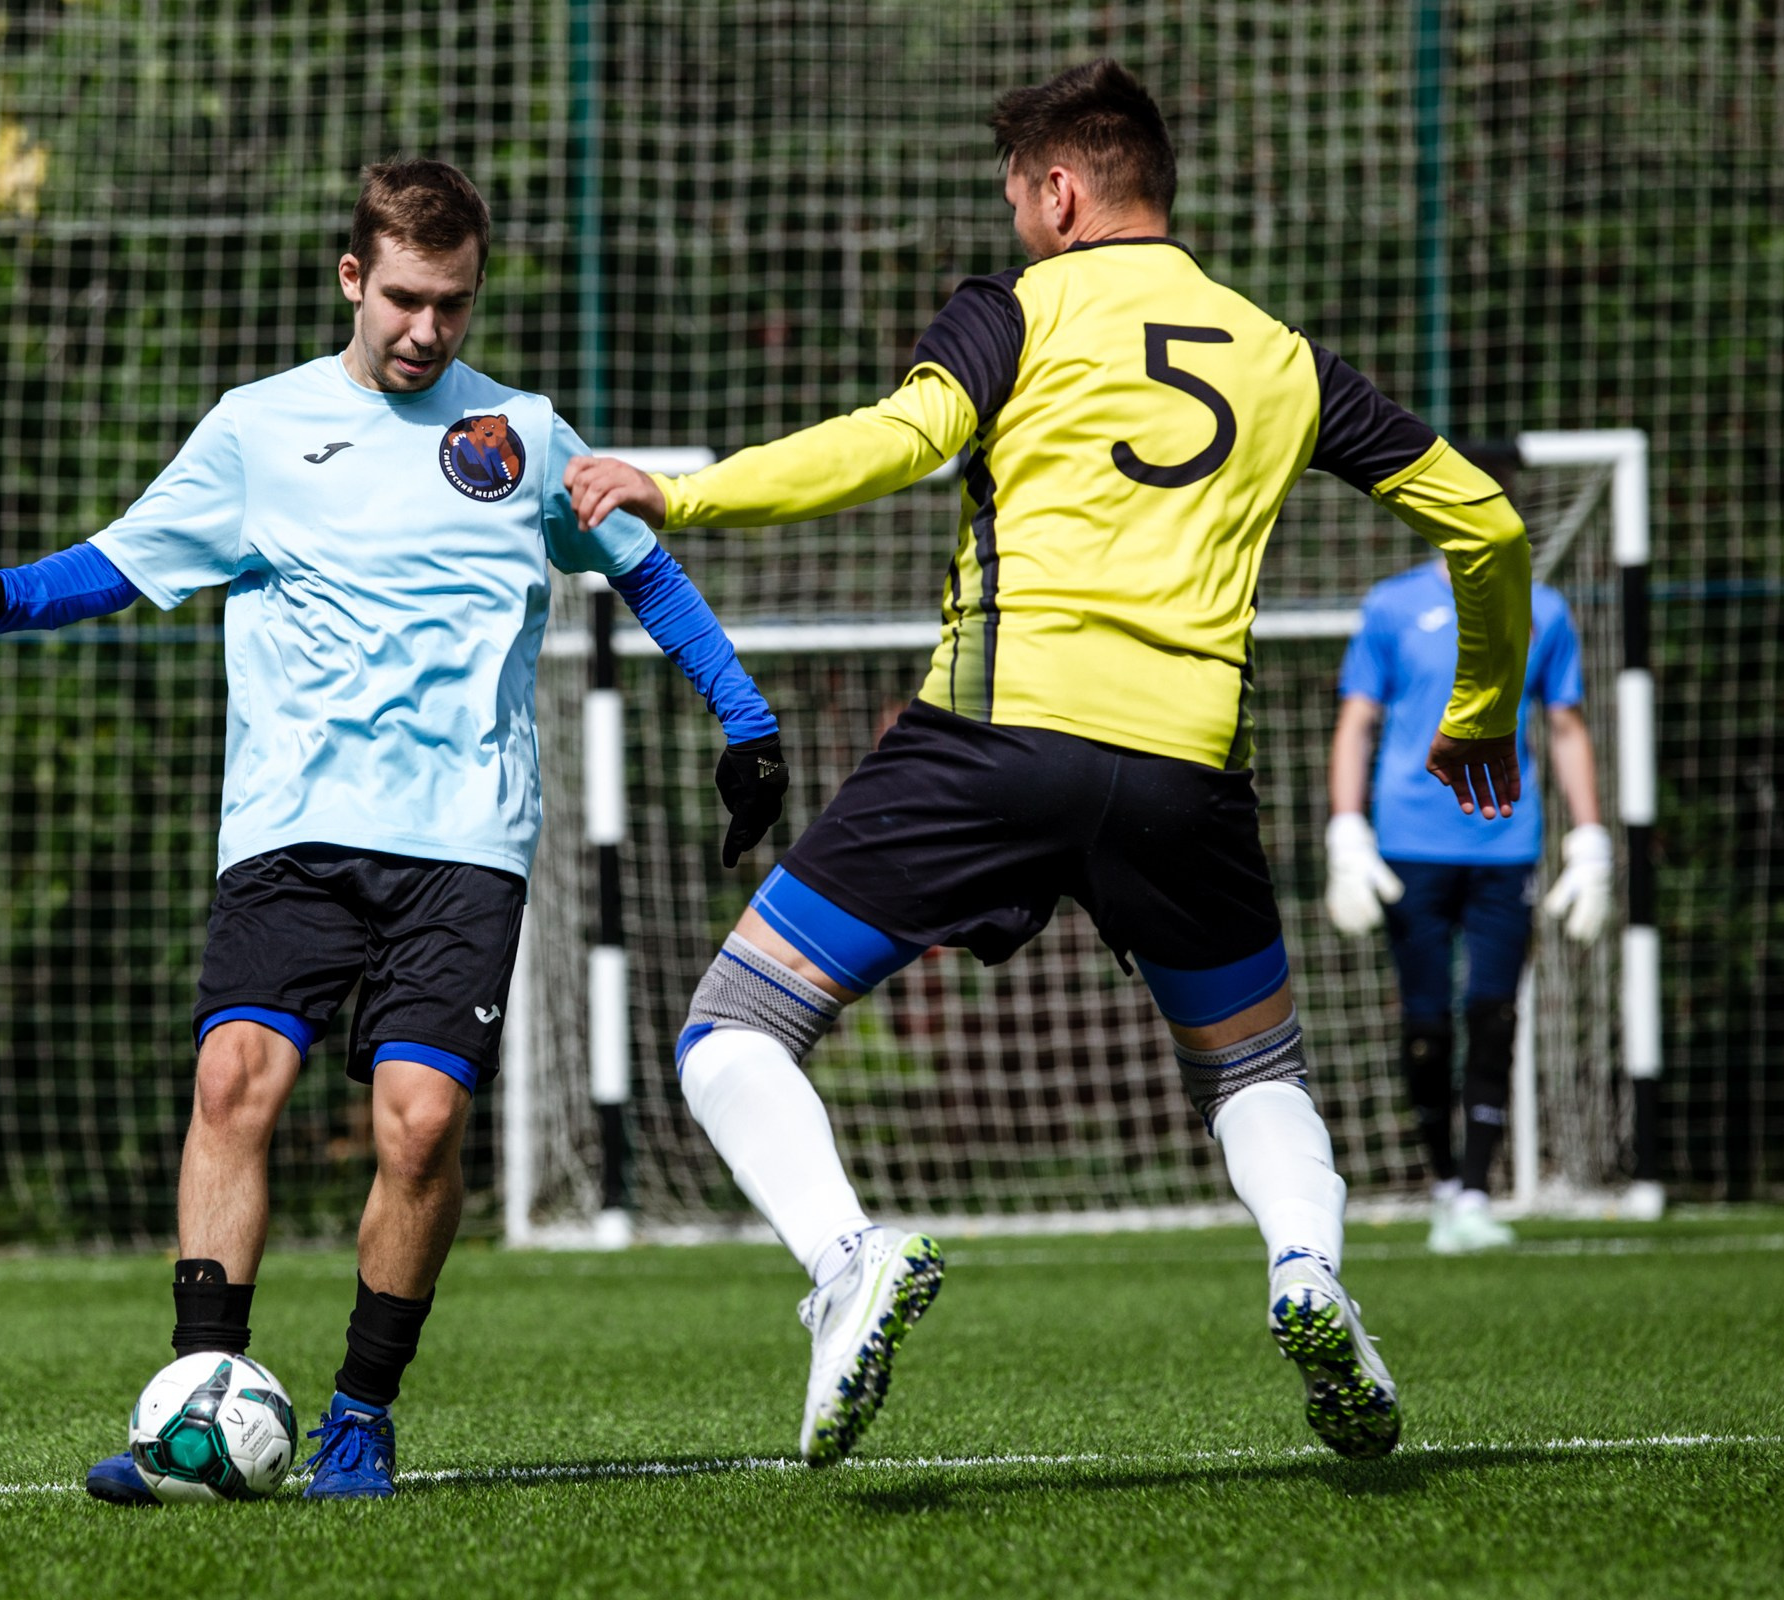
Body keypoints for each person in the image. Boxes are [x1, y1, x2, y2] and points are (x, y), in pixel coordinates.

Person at [565, 58, 1532, 1467]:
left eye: (1022, 196)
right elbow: (1490, 527)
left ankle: (847, 1264)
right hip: (1184, 772)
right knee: (1254, 1069)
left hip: (993, 745)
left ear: (1062, 191)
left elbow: (900, 440)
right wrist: (1483, 709)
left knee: (735, 1027)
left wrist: (688, 486)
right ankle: (1309, 1276)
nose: (1019, 221)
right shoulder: (1280, 353)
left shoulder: (1011, 311)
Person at [0, 159, 789, 1501]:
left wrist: (745, 721)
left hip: (465, 839)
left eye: (455, 306)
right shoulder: (257, 430)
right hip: (293, 827)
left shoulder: (522, 438)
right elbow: (123, 561)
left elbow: (645, 565)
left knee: (418, 1128)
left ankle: (361, 1414)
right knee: (235, 1079)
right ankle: (196, 1408)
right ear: (354, 278)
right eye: (408, 299)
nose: (428, 331)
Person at [1327, 562, 1608, 1253]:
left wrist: (1592, 835)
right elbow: (1357, 718)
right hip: (1410, 841)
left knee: (1495, 1011)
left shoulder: (1543, 609)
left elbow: (1565, 723)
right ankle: (1445, 1180)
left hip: (1505, 841)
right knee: (1426, 1019)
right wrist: (1345, 828)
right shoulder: (1392, 606)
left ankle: (1479, 1191)